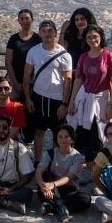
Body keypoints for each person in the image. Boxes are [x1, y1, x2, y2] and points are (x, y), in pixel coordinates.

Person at [66, 25, 112, 160]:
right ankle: (81, 161)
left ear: (101, 37)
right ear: (85, 40)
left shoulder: (108, 56)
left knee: (99, 130)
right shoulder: (83, 57)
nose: (92, 39)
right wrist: (72, 101)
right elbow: (78, 80)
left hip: (101, 97)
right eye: (89, 37)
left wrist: (111, 103)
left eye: (95, 36)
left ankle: (99, 162)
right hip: (84, 96)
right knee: (81, 129)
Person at [23, 20, 74, 162]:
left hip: (57, 99)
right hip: (38, 97)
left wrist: (64, 104)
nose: (47, 34)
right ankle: (38, 161)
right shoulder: (33, 51)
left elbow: (67, 81)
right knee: (39, 131)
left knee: (59, 133)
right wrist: (28, 98)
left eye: (50, 31)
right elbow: (27, 77)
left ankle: (57, 161)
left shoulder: (65, 55)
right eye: (44, 31)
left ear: (56, 33)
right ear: (39, 33)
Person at [35, 125, 91, 223]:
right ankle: (60, 207)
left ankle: (52, 206)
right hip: (51, 189)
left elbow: (69, 177)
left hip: (68, 188)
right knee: (45, 175)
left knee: (85, 199)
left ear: (72, 139)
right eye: (60, 137)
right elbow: (38, 171)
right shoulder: (50, 153)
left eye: (66, 136)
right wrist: (43, 186)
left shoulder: (78, 157)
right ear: (56, 139)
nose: (63, 139)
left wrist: (53, 185)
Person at [5, 9, 41, 102]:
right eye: (22, 19)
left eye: (27, 18)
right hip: (15, 80)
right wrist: (15, 83)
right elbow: (8, 62)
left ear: (32, 20)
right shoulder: (14, 39)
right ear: (18, 21)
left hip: (33, 82)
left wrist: (29, 83)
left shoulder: (38, 40)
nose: (25, 21)